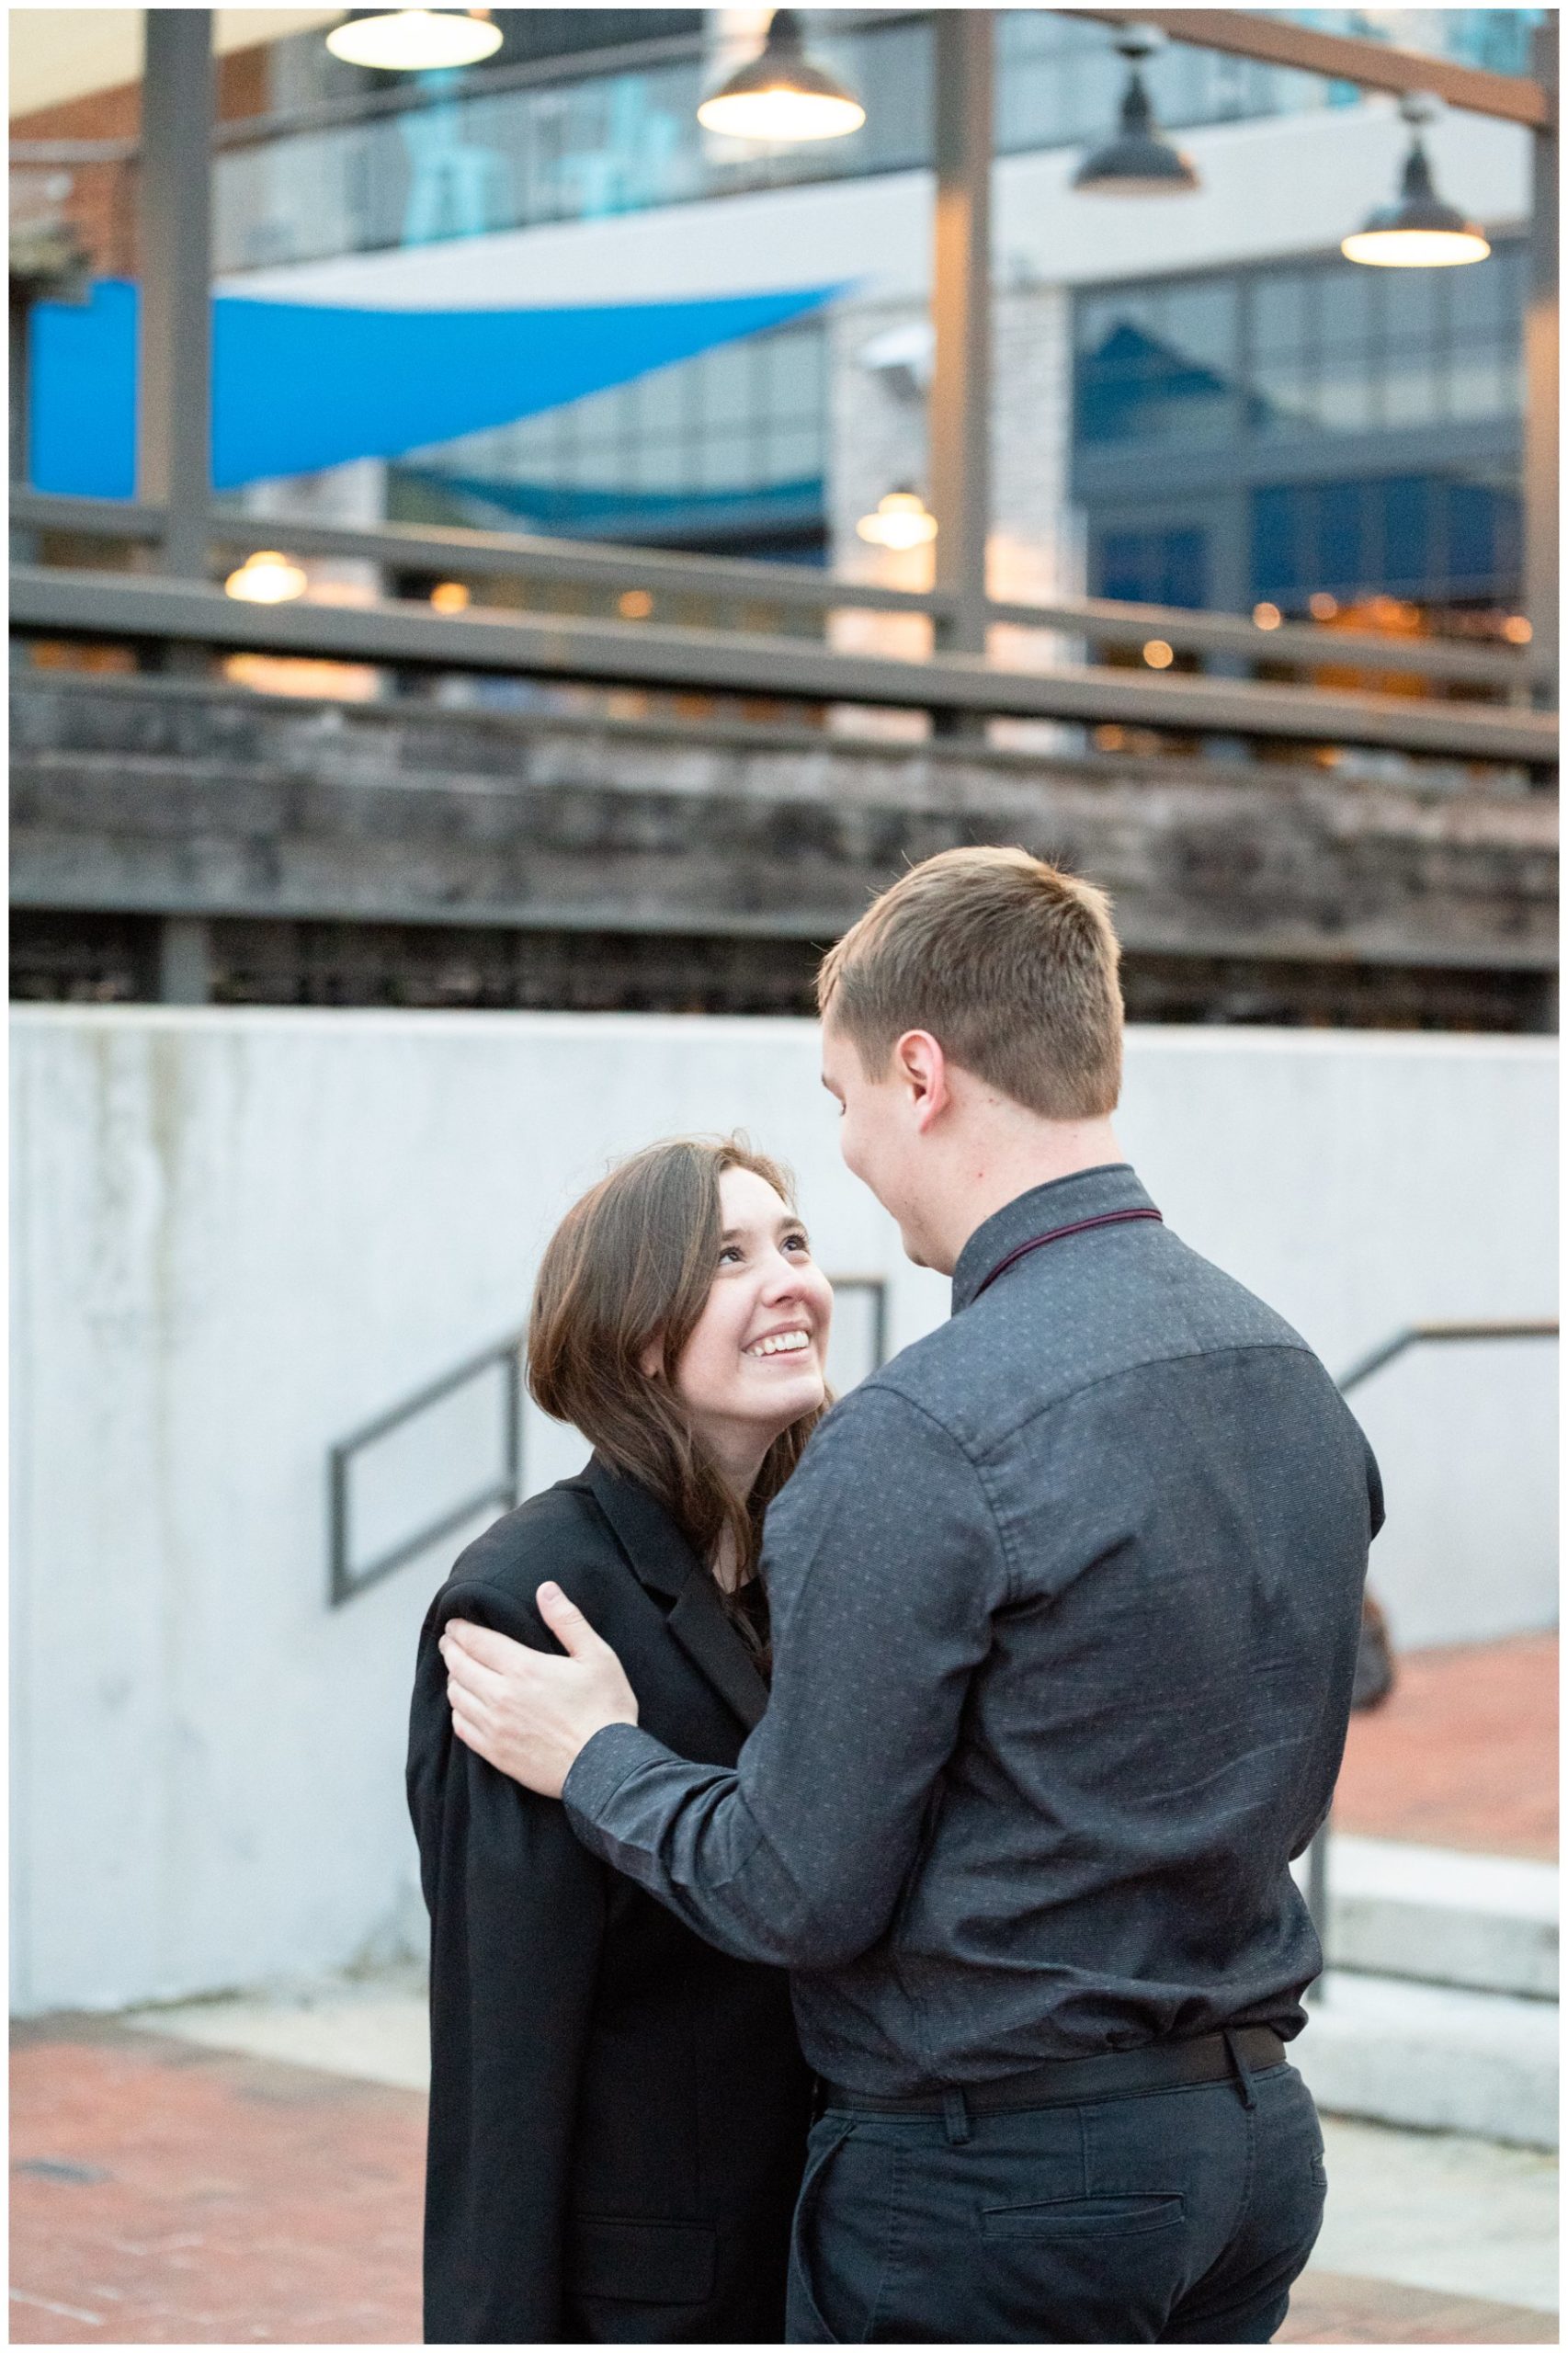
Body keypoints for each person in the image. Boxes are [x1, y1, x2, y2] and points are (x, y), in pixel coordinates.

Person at [441, 847, 1384, 2346]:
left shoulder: (921, 1435)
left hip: (993, 2191)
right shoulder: (1287, 1381)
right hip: (1251, 2156)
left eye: (843, 1102)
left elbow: (797, 1888)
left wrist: (598, 1760)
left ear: (922, 1074)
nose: (856, 1158)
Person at [407, 1136, 831, 2343]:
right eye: (730, 1258)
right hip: (653, 2287)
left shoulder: (827, 1552)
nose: (787, 1279)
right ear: (640, 1332)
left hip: (839, 2247)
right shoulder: (529, 1597)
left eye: (793, 1244)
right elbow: (507, 2036)